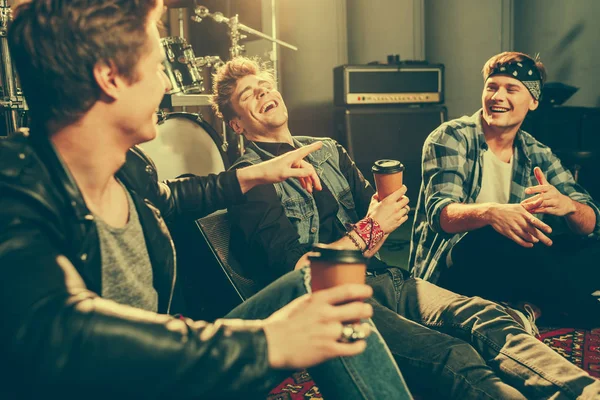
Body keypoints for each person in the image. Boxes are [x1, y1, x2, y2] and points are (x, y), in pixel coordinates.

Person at [0, 1, 415, 399]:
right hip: (110, 385)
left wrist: (258, 172)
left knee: (314, 283)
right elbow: (59, 330)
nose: (165, 84)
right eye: (158, 67)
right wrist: (265, 343)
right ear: (110, 77)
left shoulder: (130, 169)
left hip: (164, 358)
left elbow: (173, 198)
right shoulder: (14, 188)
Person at [215, 56, 600, 400]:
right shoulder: (247, 179)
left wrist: (376, 223)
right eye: (249, 95)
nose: (264, 92)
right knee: (451, 353)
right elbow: (302, 274)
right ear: (236, 123)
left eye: (266, 85)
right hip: (332, 300)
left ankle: (584, 391)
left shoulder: (327, 149)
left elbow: (387, 211)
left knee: (486, 317)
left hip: (387, 278)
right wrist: (370, 230)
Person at [410, 51, 600, 328]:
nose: (497, 96)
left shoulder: (537, 152)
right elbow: (442, 215)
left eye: (511, 89)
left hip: (519, 264)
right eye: (491, 87)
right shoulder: (451, 137)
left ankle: (532, 309)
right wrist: (491, 213)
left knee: (576, 247)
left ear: (533, 101)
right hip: (458, 268)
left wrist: (568, 205)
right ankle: (575, 308)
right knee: (496, 236)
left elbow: (590, 222)